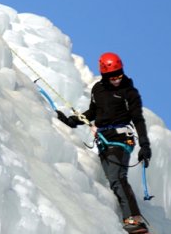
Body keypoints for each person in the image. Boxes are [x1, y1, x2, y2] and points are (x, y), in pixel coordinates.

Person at [55, 52, 152, 233]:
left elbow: (138, 119)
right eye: (112, 77)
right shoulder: (98, 90)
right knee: (112, 178)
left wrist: (145, 145)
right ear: (105, 75)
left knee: (117, 176)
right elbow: (92, 113)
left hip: (122, 139)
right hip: (104, 140)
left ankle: (134, 219)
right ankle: (130, 218)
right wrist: (71, 121)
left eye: (119, 75)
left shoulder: (129, 92)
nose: (116, 79)